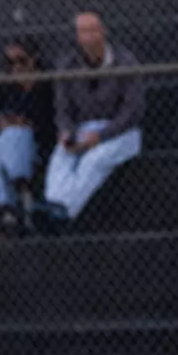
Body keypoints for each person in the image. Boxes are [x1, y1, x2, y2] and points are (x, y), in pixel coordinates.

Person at [42, 13, 146, 227]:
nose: (88, 36)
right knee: (61, 156)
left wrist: (100, 136)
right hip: (83, 128)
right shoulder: (68, 65)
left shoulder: (124, 61)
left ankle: (64, 211)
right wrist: (67, 132)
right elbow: (63, 109)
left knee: (94, 160)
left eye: (93, 30)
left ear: (103, 32)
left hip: (120, 132)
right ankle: (53, 205)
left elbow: (132, 111)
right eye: (83, 31)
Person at [0, 39, 56, 236]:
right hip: (9, 144)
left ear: (34, 59)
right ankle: (23, 190)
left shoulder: (48, 84)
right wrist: (4, 121)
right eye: (10, 62)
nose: (16, 67)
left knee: (13, 139)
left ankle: (9, 206)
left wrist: (27, 122)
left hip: (38, 143)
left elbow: (51, 119)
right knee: (6, 140)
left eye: (21, 60)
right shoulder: (6, 87)